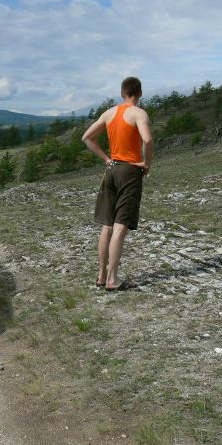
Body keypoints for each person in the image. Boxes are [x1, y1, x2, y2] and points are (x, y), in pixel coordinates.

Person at [81, 76, 153, 291]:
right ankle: (113, 279)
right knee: (121, 226)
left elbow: (87, 137)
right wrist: (146, 163)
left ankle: (101, 275)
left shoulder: (109, 113)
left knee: (107, 225)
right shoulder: (139, 113)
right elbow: (148, 140)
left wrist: (106, 159)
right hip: (130, 171)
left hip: (111, 170)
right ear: (139, 93)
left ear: (122, 93)